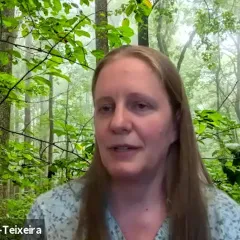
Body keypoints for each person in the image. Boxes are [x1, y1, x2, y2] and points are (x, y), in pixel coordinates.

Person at [26, 45, 240, 240]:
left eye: (140, 105)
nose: (118, 123)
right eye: (106, 108)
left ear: (175, 125)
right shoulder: (48, 216)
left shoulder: (225, 221)